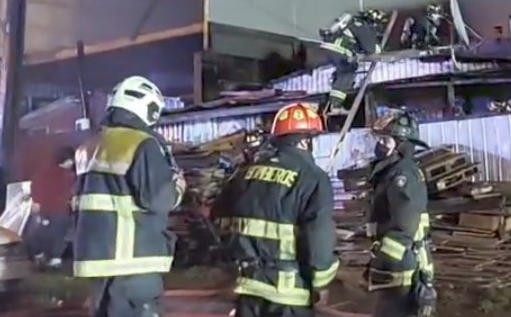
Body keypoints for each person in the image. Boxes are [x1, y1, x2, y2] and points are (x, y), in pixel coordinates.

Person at [72, 75, 186, 317]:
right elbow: (157, 199)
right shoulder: (142, 144)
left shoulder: (88, 146)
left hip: (97, 260)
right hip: (133, 260)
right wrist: (177, 187)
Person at [212, 102, 338, 317]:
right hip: (289, 295)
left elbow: (217, 218)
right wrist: (321, 283)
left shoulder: (244, 174)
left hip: (248, 289)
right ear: (306, 141)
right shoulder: (313, 178)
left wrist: (237, 257)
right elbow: (318, 238)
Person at [365, 111, 436, 317]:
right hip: (395, 264)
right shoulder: (392, 171)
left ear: (401, 144)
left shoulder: (403, 174)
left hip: (401, 266)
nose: (380, 145)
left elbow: (404, 226)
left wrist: (384, 259)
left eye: (385, 140)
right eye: (380, 139)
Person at [318, 12, 383, 111]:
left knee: (341, 70)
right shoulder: (362, 27)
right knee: (349, 71)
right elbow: (371, 49)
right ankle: (336, 102)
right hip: (338, 51)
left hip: (326, 47)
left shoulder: (350, 23)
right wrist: (378, 47)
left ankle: (335, 92)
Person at [29, 145, 77, 268]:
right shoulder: (69, 176)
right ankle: (55, 259)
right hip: (60, 210)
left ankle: (39, 256)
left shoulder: (42, 173)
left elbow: (35, 187)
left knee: (42, 233)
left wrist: (37, 201)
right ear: (68, 160)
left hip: (43, 210)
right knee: (58, 235)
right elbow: (71, 193)